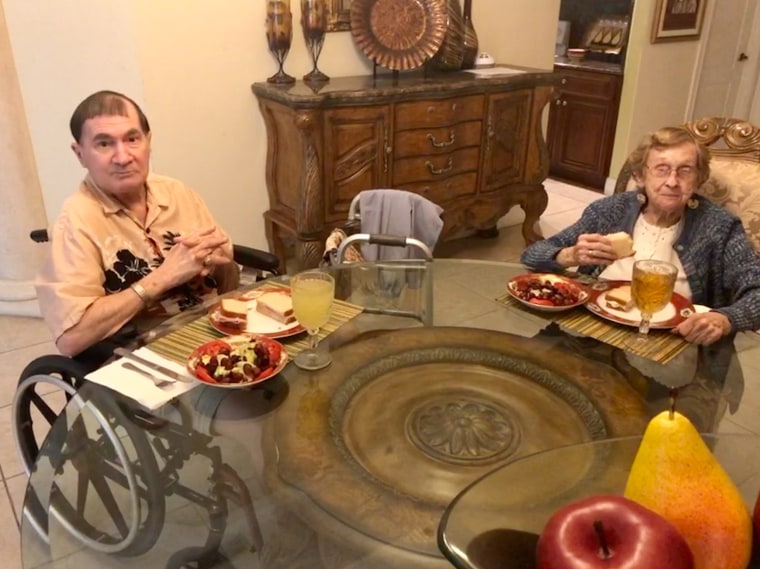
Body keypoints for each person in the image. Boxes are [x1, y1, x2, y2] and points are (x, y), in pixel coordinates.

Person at [35, 90, 239, 366]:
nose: (123, 157)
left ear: (148, 141)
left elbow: (227, 282)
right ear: (80, 153)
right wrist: (162, 278)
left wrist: (221, 263)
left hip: (215, 335)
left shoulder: (176, 192)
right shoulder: (75, 222)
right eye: (104, 144)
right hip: (146, 360)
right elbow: (71, 337)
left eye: (132, 139)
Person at [521, 126, 760, 346]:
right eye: (661, 169)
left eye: (685, 171)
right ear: (641, 176)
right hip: (589, 332)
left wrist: (724, 319)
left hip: (674, 342)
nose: (672, 182)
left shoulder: (720, 226)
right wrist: (568, 255)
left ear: (698, 178)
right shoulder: (609, 211)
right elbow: (531, 255)